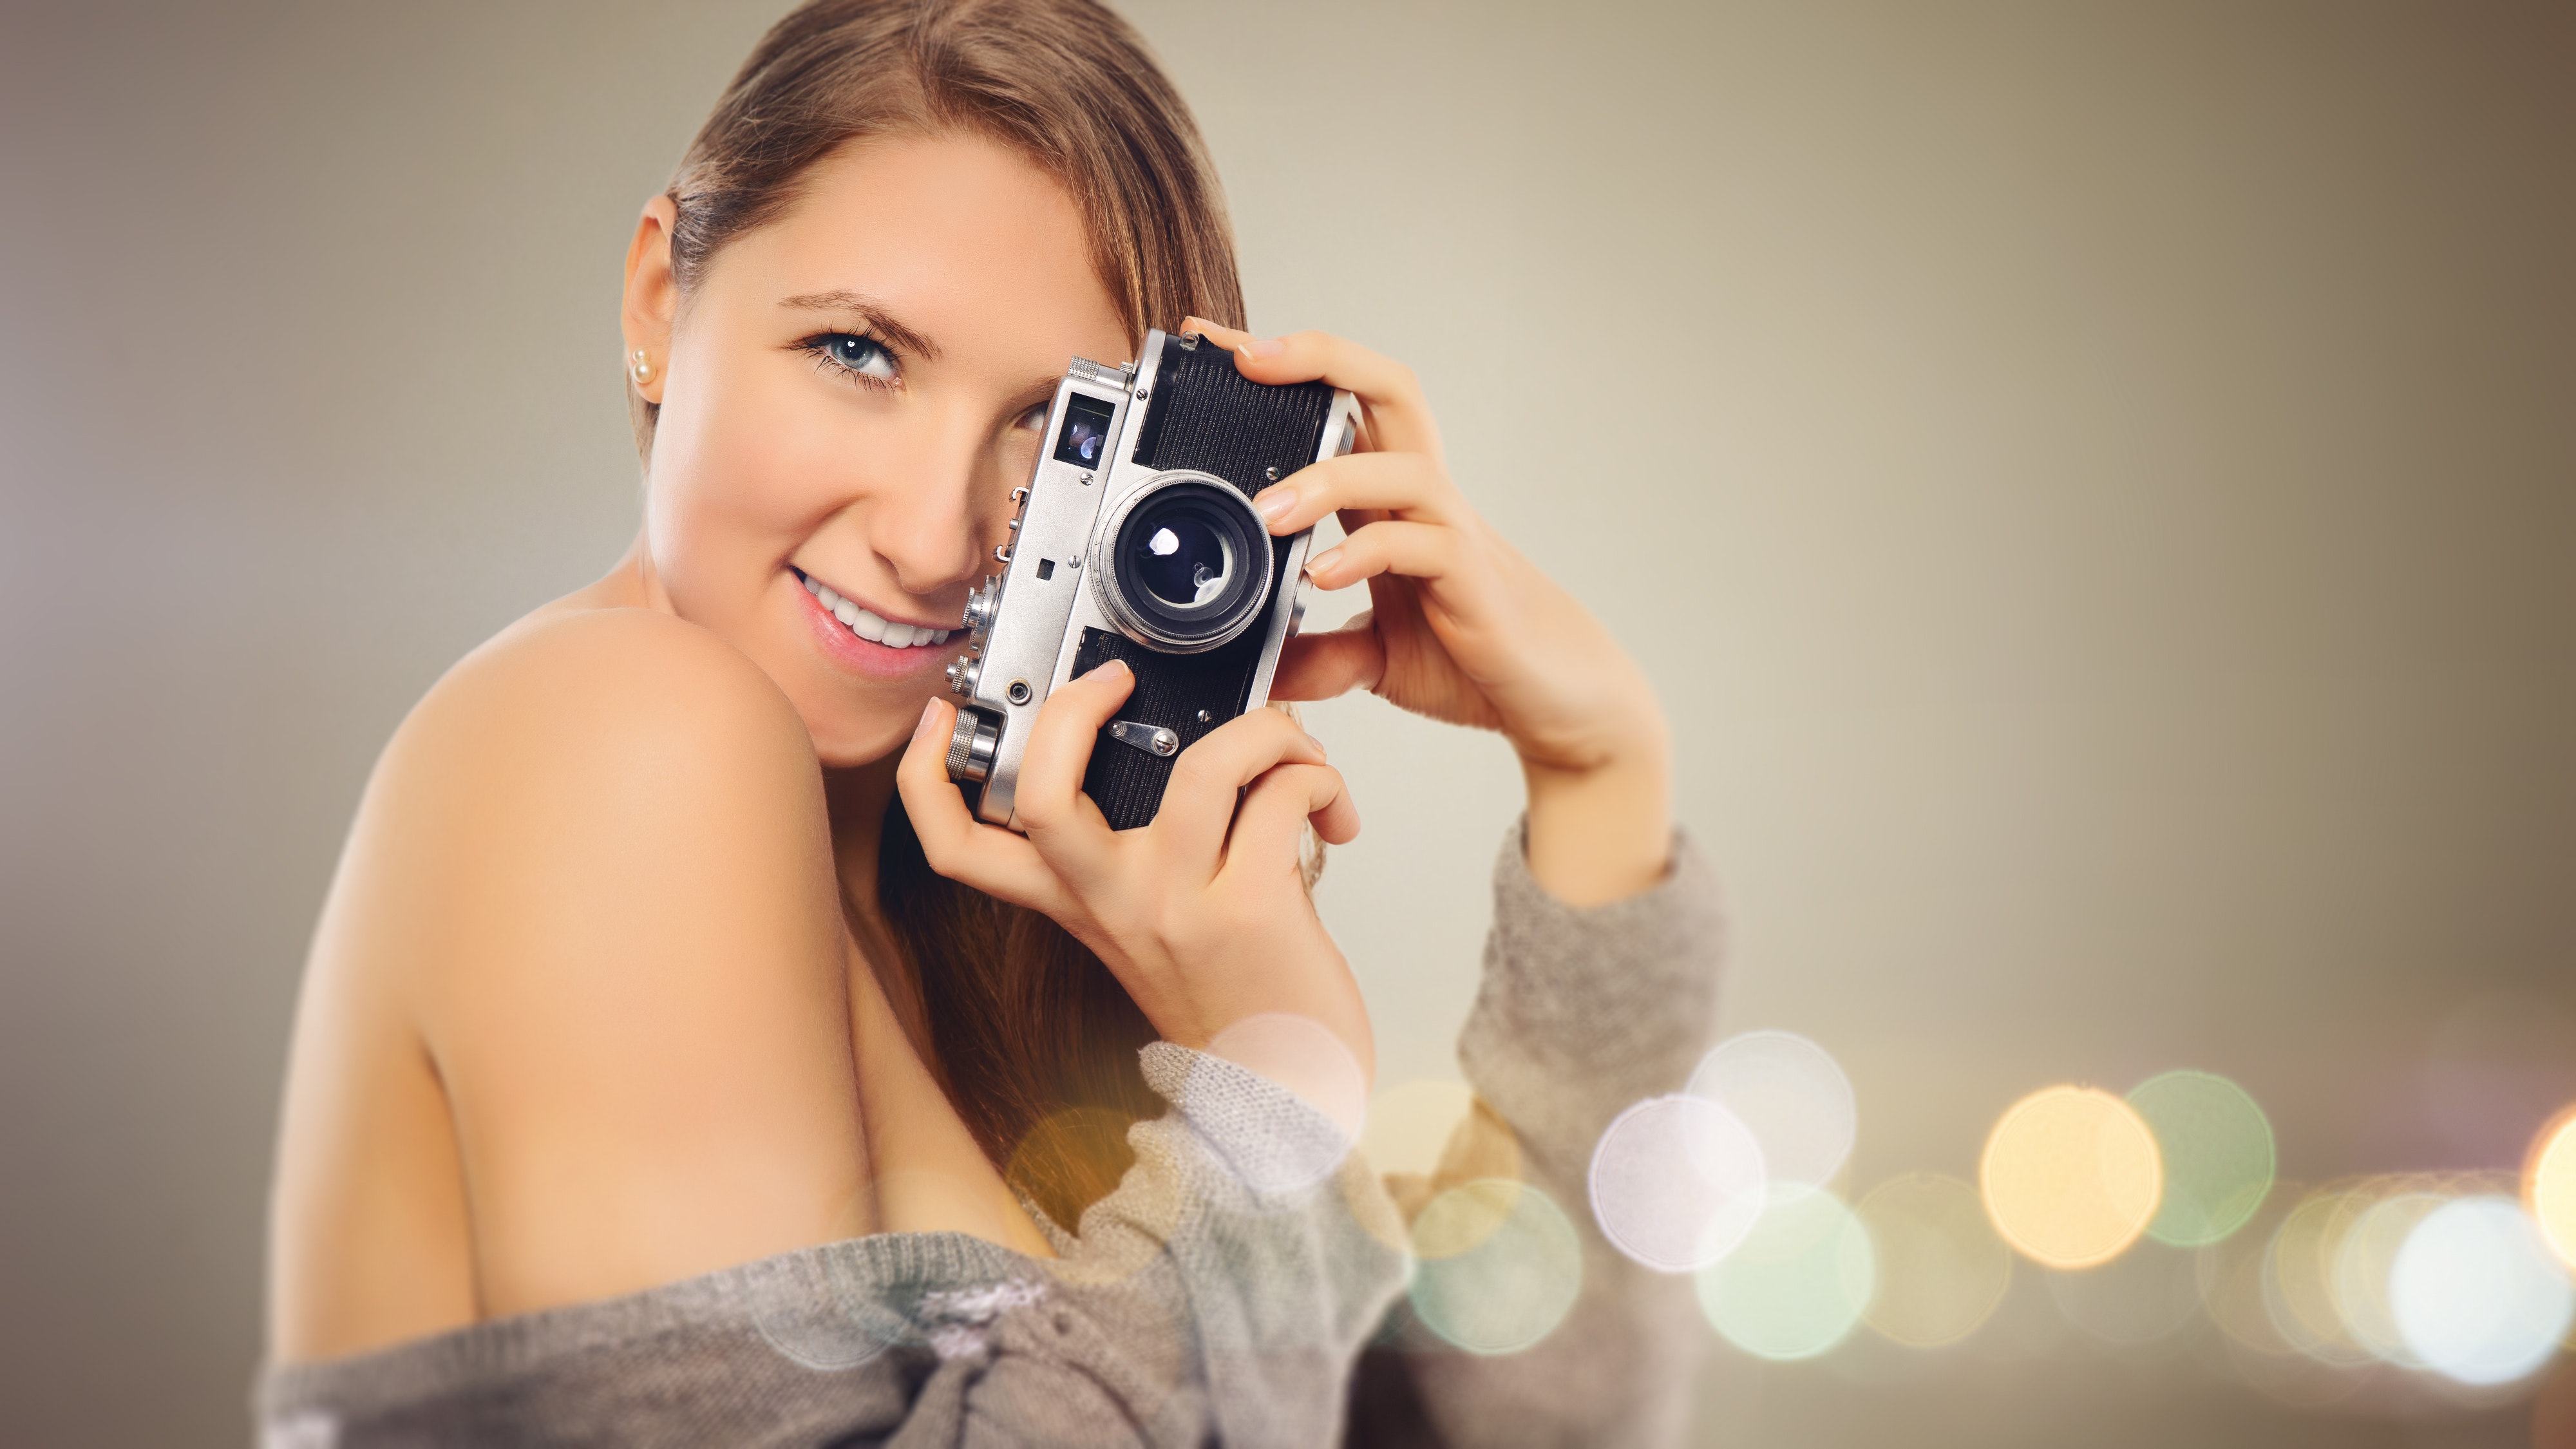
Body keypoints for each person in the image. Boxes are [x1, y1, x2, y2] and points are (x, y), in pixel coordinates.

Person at [260, 1, 1725, 1443]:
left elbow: (1499, 1428)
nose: (932, 534)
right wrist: (1272, 1090)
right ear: (660, 298)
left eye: (1053, 422)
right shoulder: (619, 734)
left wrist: (1598, 773)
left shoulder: (968, 877)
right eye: (857, 353)